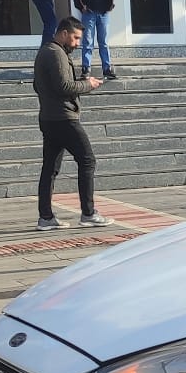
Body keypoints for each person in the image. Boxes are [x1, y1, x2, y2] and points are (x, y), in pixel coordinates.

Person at [33, 15, 109, 230]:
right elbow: (64, 87)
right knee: (87, 160)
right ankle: (88, 213)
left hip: (49, 117)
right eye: (75, 38)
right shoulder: (56, 53)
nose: (77, 43)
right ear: (64, 33)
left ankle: (46, 217)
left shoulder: (45, 51)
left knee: (50, 168)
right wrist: (88, 84)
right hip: (63, 118)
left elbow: (38, 85)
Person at [72, 0, 118, 80]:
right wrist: (81, 7)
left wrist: (109, 7)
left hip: (103, 13)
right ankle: (86, 68)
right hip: (88, 13)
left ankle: (107, 69)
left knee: (103, 41)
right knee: (87, 41)